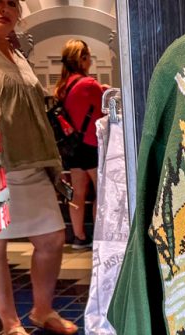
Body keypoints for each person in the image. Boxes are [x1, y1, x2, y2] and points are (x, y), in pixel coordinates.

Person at [0, 0, 78, 335]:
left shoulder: (16, 52)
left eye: (11, 3)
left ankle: (42, 310)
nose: (4, 9)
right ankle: (11, 324)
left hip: (32, 160)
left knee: (52, 239)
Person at [54, 39, 105, 249]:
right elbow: (103, 110)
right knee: (101, 192)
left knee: (77, 193)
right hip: (92, 145)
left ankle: (79, 237)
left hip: (72, 147)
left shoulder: (62, 86)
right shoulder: (90, 85)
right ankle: (100, 236)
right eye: (89, 57)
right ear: (82, 59)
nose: (90, 61)